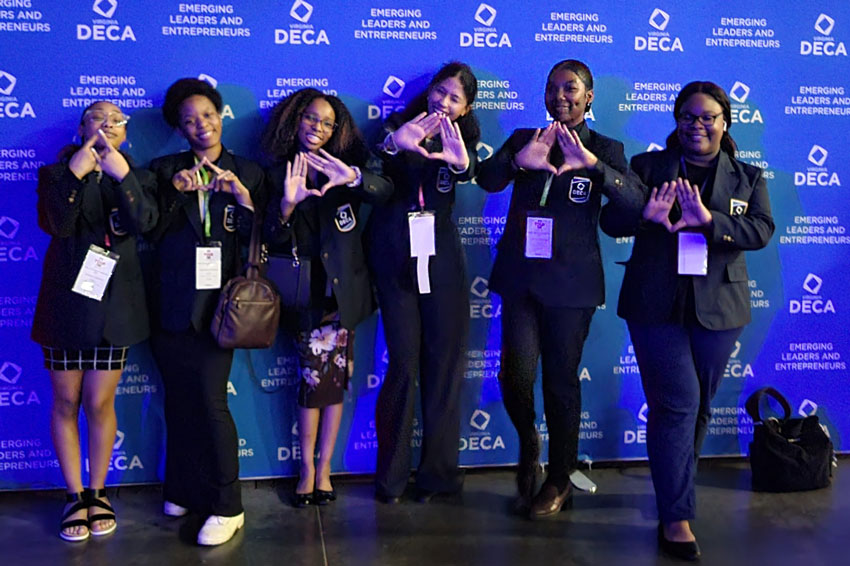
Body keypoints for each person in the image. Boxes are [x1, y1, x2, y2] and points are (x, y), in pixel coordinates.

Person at [601, 81, 774, 561]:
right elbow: (610, 222)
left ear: (725, 122)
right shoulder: (647, 167)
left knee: (698, 408)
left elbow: (760, 229)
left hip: (719, 309)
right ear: (676, 119)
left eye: (709, 117)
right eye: (689, 116)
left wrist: (708, 220)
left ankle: (674, 487)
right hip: (655, 304)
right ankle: (676, 517)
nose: (698, 124)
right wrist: (645, 218)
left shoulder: (749, 177)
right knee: (677, 405)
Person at [476, 59, 645, 518]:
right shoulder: (524, 140)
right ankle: (530, 445)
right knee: (517, 376)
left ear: (589, 98)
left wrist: (591, 166)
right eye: (552, 88)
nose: (560, 96)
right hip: (521, 279)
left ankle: (559, 476)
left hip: (572, 286)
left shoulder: (606, 148)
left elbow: (633, 202)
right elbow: (487, 179)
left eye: (571, 88)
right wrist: (517, 161)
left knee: (560, 381)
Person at [32, 101, 158, 541]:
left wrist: (124, 176)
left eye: (116, 121)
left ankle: (99, 492)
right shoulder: (55, 174)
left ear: (125, 132)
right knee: (65, 403)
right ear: (81, 126)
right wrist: (75, 173)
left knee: (99, 404)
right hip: (66, 305)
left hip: (114, 307)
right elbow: (58, 225)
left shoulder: (136, 175)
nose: (107, 125)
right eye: (97, 119)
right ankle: (73, 495)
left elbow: (145, 223)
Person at [260, 88, 392, 507]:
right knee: (315, 382)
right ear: (294, 119)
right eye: (311, 118)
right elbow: (268, 237)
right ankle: (307, 471)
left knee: (333, 384)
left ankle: (323, 469)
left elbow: (383, 190)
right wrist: (285, 205)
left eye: (327, 123)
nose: (318, 127)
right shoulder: (276, 170)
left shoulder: (346, 166)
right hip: (304, 295)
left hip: (344, 295)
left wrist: (351, 177)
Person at [147, 78, 264, 546]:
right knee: (177, 402)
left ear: (222, 116)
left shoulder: (248, 172)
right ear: (179, 127)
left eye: (209, 115)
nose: (202, 125)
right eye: (190, 120)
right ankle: (183, 487)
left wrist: (244, 201)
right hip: (171, 306)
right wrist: (175, 193)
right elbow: (148, 232)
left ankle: (227, 504)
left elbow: (267, 240)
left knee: (212, 403)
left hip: (223, 311)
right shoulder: (161, 171)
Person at [365, 61, 480, 503]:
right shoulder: (396, 126)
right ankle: (391, 479)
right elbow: (372, 175)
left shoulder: (464, 139)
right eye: (439, 92)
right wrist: (395, 146)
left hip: (442, 256)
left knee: (444, 367)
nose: (443, 102)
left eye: (454, 97)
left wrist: (461, 163)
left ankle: (439, 475)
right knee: (403, 366)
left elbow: (467, 175)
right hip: (394, 251)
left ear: (466, 107)